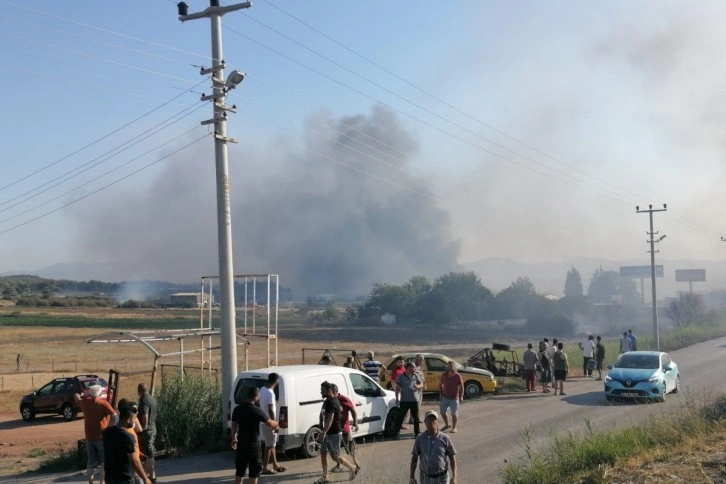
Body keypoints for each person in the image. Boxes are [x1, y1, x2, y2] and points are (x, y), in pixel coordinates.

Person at [230, 386, 279, 484]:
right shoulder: (256, 410)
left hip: (241, 445)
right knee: (253, 474)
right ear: (256, 397)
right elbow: (270, 424)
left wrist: (233, 438)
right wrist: (278, 423)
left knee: (239, 472)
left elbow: (234, 424)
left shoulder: (237, 409)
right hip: (253, 447)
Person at [315, 381, 359, 483]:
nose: (321, 392)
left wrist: (323, 432)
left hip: (334, 433)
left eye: (323, 391)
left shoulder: (333, 402)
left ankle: (352, 467)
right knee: (323, 453)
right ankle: (325, 477)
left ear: (329, 391)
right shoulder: (326, 401)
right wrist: (320, 424)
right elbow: (322, 414)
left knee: (335, 457)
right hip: (327, 432)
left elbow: (330, 419)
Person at [74, 384, 116, 484]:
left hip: (89, 437)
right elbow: (115, 416)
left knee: (90, 462)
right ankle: (101, 482)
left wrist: (81, 394)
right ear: (100, 393)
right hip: (101, 436)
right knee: (103, 462)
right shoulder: (103, 404)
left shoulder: (85, 402)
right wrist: (110, 427)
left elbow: (76, 397)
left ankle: (91, 482)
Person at [103, 398, 151, 484]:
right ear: (129, 418)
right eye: (134, 419)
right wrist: (145, 478)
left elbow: (115, 450)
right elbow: (134, 461)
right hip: (125, 478)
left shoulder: (107, 432)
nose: (134, 422)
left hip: (109, 477)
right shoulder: (128, 436)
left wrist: (137, 452)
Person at [409, 410, 457, 484]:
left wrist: (454, 477)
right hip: (426, 478)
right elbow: (414, 458)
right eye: (429, 419)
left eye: (433, 419)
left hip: (442, 478)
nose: (431, 421)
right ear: (425, 422)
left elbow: (452, 457)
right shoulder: (420, 439)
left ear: (438, 422)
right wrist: (412, 477)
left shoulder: (445, 438)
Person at [259, 373, 286, 475]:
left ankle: (275, 464)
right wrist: (274, 424)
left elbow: (259, 403)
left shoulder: (262, 389)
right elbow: (271, 409)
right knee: (268, 446)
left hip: (263, 421)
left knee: (271, 444)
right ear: (276, 381)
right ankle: (264, 467)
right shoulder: (270, 393)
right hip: (269, 423)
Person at [330, 383, 361, 473]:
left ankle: (356, 464)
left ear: (335, 392)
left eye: (331, 392)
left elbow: (353, 411)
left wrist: (355, 422)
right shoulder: (331, 401)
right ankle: (339, 465)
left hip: (344, 429)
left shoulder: (344, 400)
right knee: (336, 449)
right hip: (335, 430)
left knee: (350, 448)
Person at [136, 383, 157, 483]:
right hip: (153, 428)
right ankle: (150, 476)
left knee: (146, 455)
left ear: (139, 391)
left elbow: (145, 415)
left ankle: (150, 477)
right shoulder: (152, 399)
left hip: (147, 431)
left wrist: (142, 428)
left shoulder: (143, 401)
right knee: (149, 452)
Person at [396, 362, 424, 437]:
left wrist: (418, 386)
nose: (414, 369)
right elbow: (397, 388)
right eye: (413, 367)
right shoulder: (401, 376)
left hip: (414, 400)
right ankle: (397, 432)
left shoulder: (415, 375)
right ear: (408, 368)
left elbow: (421, 384)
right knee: (401, 416)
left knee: (416, 418)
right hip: (404, 400)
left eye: (414, 367)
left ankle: (417, 433)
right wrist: (396, 398)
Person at [439, 360, 463, 433]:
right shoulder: (444, 375)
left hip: (454, 397)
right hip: (445, 397)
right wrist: (441, 393)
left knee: (454, 413)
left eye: (451, 366)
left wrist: (461, 396)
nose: (449, 367)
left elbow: (462, 386)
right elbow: (440, 384)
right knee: (442, 412)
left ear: (454, 367)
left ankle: (454, 427)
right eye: (448, 366)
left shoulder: (457, 376)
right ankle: (447, 424)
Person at [410, 354, 426, 425]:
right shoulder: (413, 366)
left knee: (418, 404)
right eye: (420, 359)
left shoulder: (420, 366)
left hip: (420, 387)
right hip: (415, 388)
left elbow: (422, 375)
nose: (422, 361)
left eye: (422, 359)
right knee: (414, 404)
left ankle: (415, 418)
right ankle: (413, 419)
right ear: (416, 359)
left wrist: (424, 384)